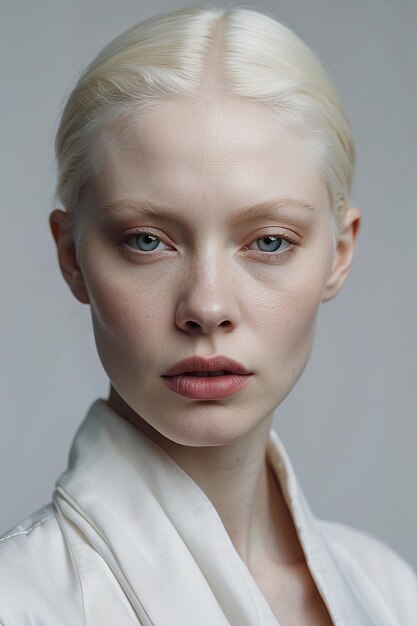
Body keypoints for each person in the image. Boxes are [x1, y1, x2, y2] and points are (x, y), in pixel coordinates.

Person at [0, 5, 415, 625]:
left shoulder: (391, 591)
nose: (208, 307)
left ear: (340, 253)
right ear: (72, 256)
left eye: (269, 241)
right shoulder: (21, 602)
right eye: (147, 240)